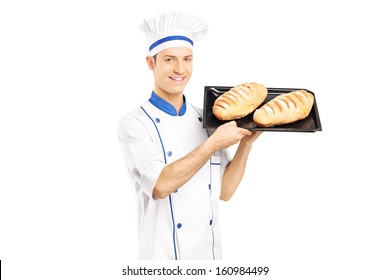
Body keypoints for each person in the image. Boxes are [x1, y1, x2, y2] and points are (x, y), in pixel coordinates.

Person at [118, 12, 262, 260]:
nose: (180, 69)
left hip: (211, 260)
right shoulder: (135, 123)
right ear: (151, 63)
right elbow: (161, 186)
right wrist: (212, 144)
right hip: (162, 262)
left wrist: (246, 144)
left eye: (187, 59)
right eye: (169, 60)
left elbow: (225, 191)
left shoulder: (205, 119)